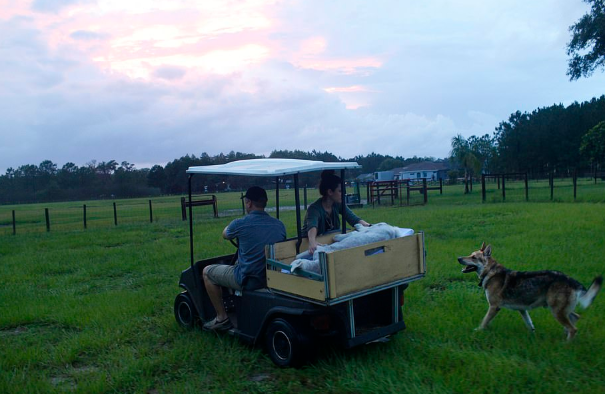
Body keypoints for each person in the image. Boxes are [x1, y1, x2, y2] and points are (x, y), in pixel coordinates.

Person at [202, 186, 286, 331]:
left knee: (207, 272)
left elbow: (225, 234)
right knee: (235, 263)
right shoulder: (279, 225)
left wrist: (235, 224)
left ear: (248, 203)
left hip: (249, 279)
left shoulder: (239, 224)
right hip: (272, 277)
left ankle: (222, 318)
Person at [302, 170, 370, 254]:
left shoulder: (338, 204)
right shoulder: (314, 208)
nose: (343, 194)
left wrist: (369, 227)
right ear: (330, 192)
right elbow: (312, 226)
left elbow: (354, 219)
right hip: (309, 248)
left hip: (329, 246)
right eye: (340, 191)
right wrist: (312, 242)